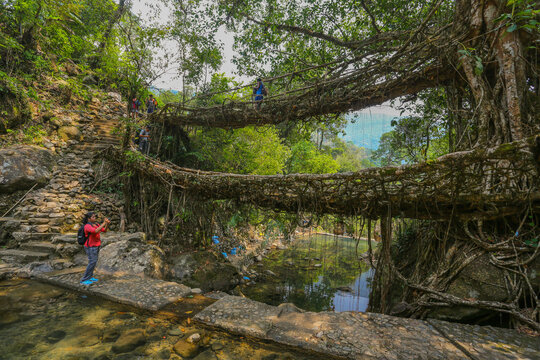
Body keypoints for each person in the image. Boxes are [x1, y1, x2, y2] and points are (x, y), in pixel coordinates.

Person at [80, 212, 110, 285]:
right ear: (88, 219)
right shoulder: (87, 226)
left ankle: (90, 277)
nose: (95, 218)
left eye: (94, 217)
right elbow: (95, 231)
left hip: (96, 245)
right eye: (93, 217)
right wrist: (104, 222)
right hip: (90, 246)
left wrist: (107, 224)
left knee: (94, 262)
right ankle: (84, 279)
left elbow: (104, 230)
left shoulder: (96, 224)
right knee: (92, 262)